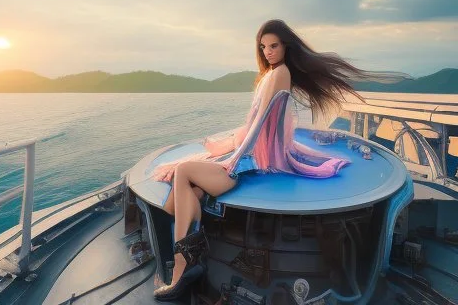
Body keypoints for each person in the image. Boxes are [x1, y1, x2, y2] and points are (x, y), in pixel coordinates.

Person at [151, 19, 409, 301]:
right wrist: (227, 149)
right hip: (248, 153)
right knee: (178, 199)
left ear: (286, 46)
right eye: (263, 47)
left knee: (184, 172)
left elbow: (261, 125)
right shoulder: (273, 73)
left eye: (273, 46)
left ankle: (181, 268)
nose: (268, 52)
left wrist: (232, 160)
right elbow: (256, 123)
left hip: (249, 161)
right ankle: (193, 257)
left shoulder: (279, 74)